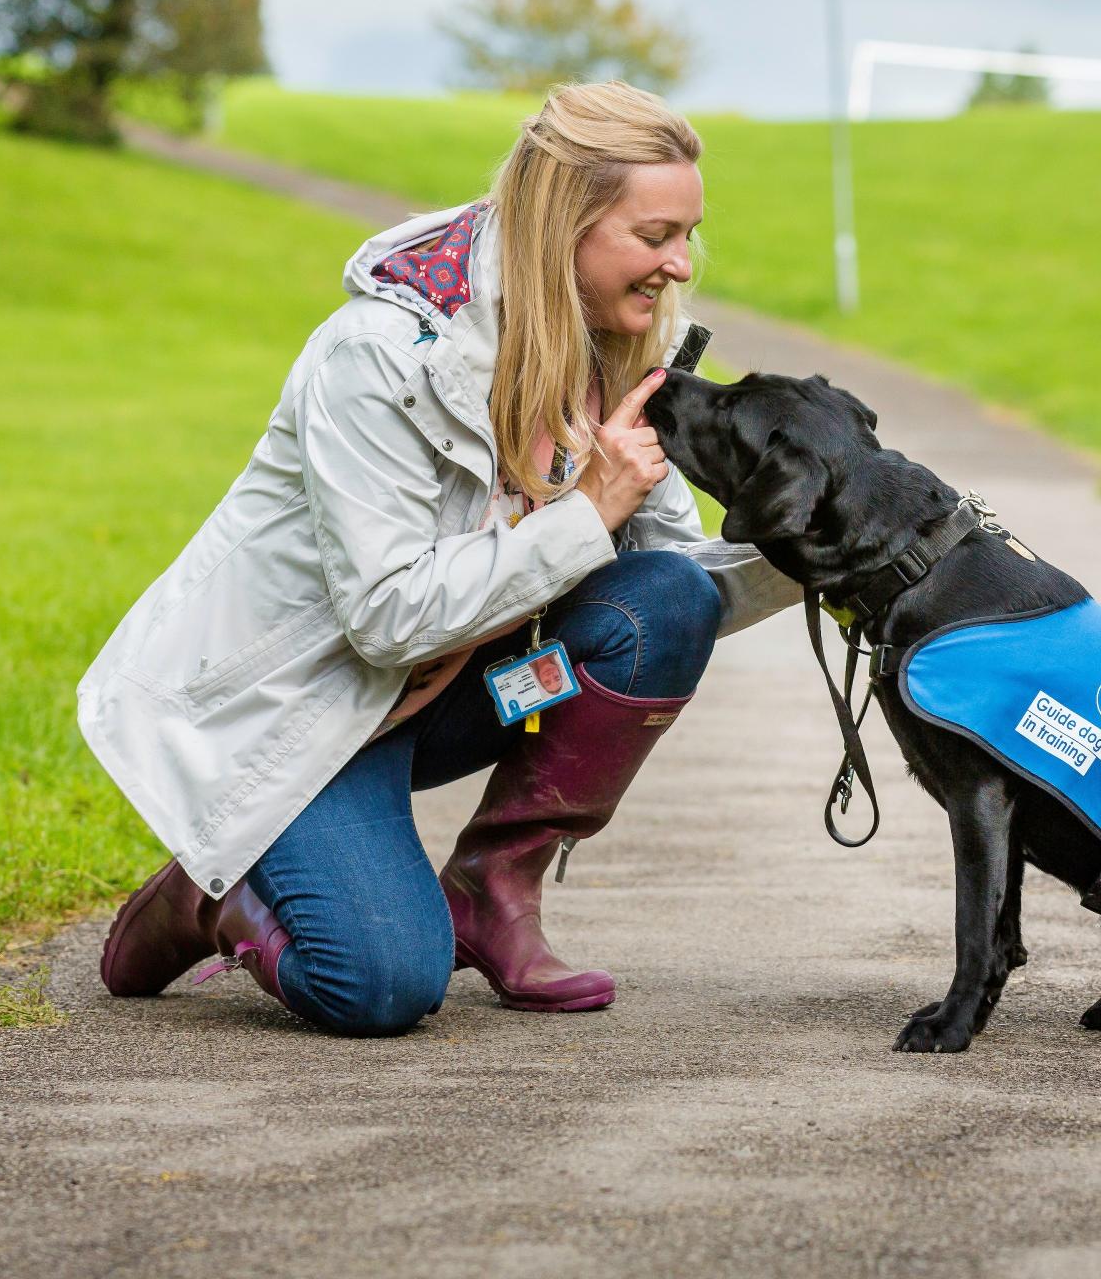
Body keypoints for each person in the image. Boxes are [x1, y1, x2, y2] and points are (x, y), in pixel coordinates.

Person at [80, 81, 798, 1033]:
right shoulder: (378, 356)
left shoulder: (608, 351)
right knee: (377, 987)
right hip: (309, 721)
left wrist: (806, 557)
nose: (679, 265)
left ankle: (491, 891)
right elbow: (386, 620)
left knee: (661, 602)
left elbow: (671, 586)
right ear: (565, 223)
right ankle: (215, 893)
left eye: (687, 236)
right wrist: (588, 510)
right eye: (655, 235)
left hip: (476, 694)